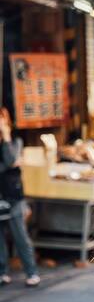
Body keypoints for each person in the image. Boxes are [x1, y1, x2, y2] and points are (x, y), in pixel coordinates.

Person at [0, 107, 39, 286]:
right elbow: (10, 164)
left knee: (20, 235)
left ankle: (31, 272)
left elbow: (9, 160)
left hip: (13, 196)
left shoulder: (15, 141)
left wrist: (6, 135)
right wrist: (11, 165)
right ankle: (2, 272)